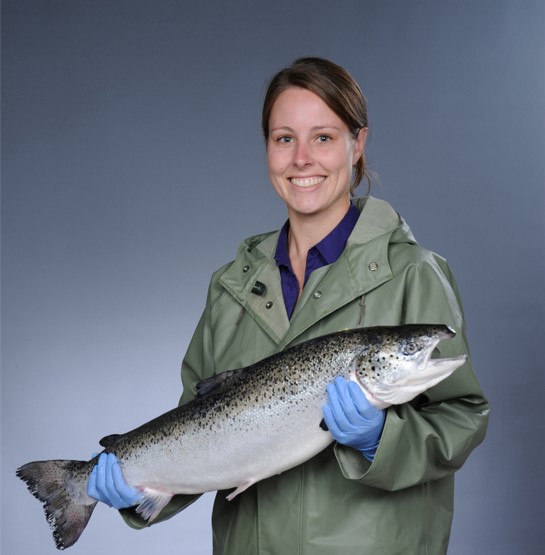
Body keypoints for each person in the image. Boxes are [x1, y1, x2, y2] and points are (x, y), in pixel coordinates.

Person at [87, 57, 489, 554]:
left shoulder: (413, 274)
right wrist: (140, 489)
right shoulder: (231, 286)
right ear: (268, 149)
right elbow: (202, 430)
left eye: (322, 137)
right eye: (284, 139)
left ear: (356, 144)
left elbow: (463, 415)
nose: (302, 158)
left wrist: (379, 439)